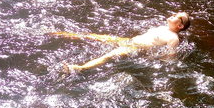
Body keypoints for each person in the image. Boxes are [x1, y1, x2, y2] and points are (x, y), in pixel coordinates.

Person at [50, 12, 191, 72]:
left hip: (135, 49)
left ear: (180, 26)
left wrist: (150, 58)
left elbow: (169, 57)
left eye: (175, 16)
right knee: (95, 36)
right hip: (129, 41)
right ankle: (63, 33)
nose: (171, 15)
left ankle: (79, 68)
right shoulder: (163, 27)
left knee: (108, 56)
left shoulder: (173, 38)